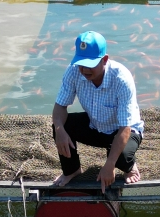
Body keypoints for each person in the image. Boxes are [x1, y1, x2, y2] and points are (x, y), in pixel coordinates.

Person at [51, 30, 142, 191]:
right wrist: (59, 130)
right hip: (95, 125)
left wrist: (110, 165)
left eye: (90, 64)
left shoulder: (122, 79)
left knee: (121, 159)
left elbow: (125, 127)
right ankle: (72, 170)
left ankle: (129, 165)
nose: (84, 70)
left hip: (122, 130)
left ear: (104, 60)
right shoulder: (73, 71)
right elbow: (60, 106)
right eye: (81, 64)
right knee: (61, 126)